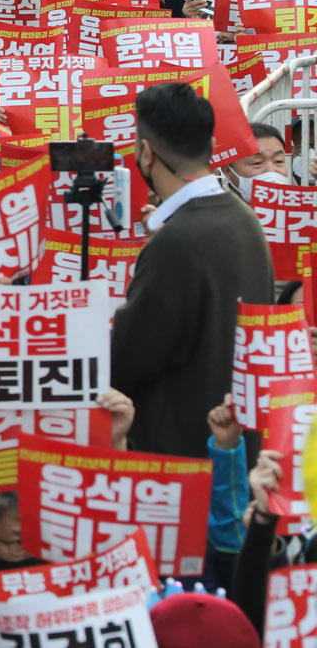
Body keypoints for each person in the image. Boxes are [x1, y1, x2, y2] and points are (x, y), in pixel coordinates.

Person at [112, 82, 275, 459]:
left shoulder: (177, 240)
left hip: (181, 463)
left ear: (146, 153)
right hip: (231, 451)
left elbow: (127, 360)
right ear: (214, 148)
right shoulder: (245, 219)